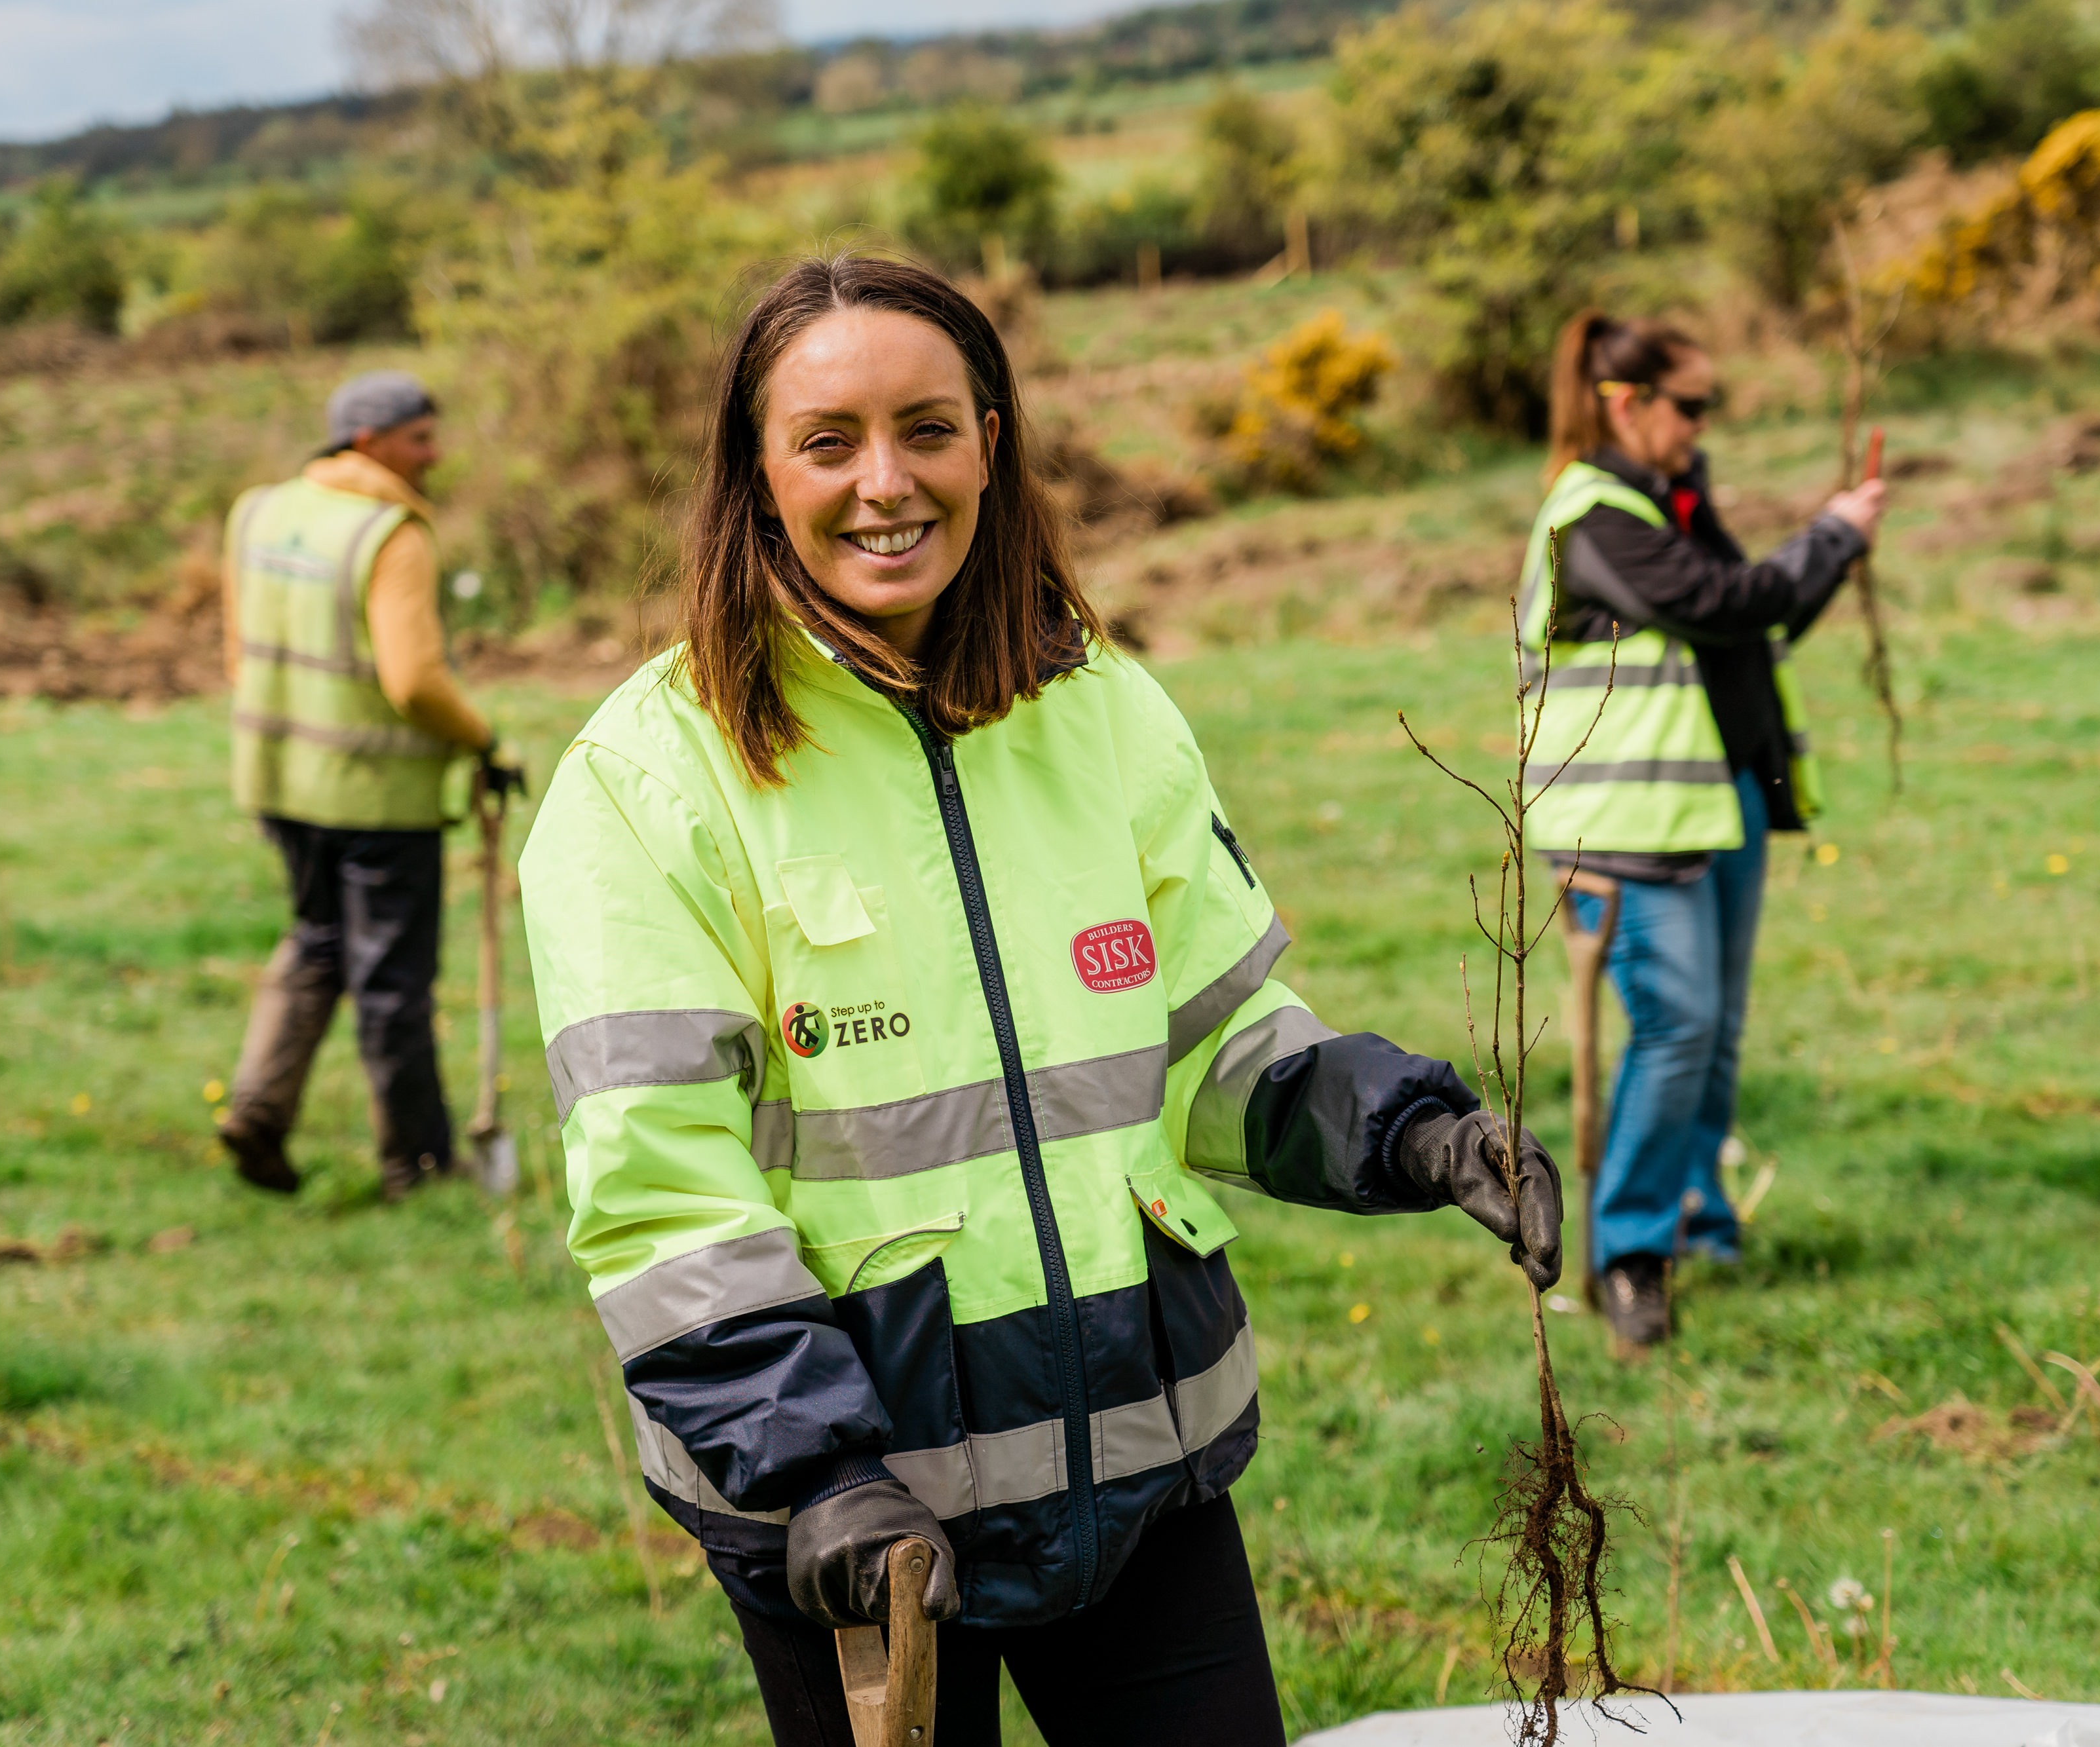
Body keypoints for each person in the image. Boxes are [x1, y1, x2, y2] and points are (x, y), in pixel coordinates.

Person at [516, 256, 1562, 1747]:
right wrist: (817, 1471)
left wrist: (1414, 1133)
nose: (887, 483)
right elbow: (663, 1201)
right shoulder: (645, 782)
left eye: (928, 429)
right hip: (862, 1535)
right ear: (754, 474)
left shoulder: (1105, 712)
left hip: (1138, 1466)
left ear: (991, 443)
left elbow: (1212, 1048)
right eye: (829, 441)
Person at [1518, 310, 1884, 1347]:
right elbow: (1729, 602)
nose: (1703, 424)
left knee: (1713, 1033)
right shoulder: (1595, 516)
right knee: (1676, 1029)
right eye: (1691, 405)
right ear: (1625, 403)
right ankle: (1630, 1253)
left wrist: (1833, 549)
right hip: (1623, 825)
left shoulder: (1668, 499)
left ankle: (1694, 1218)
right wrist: (1834, 534)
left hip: (1715, 806)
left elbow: (1748, 623)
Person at [216, 369, 526, 1200]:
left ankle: (258, 1108)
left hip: (280, 780)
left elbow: (238, 650)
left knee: (318, 937)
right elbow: (416, 680)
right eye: (419, 439)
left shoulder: (261, 512)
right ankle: (417, 1164)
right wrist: (485, 741)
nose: (435, 454)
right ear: (366, 443)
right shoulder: (392, 534)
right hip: (375, 794)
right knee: (392, 980)